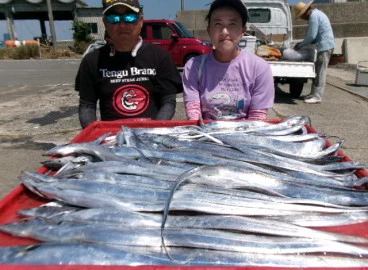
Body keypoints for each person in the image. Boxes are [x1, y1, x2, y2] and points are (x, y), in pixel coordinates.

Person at [75, 0, 183, 129]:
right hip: (112, 137)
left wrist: (155, 129)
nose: (122, 25)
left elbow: (168, 101)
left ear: (141, 21)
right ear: (105, 22)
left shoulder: (160, 57)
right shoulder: (91, 61)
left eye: (129, 17)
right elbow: (87, 105)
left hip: (151, 134)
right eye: (114, 18)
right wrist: (93, 135)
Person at [182, 0, 274, 121]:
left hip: (244, 135)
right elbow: (194, 116)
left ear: (242, 31)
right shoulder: (193, 66)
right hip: (206, 134)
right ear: (209, 30)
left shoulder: (259, 67)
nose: (225, 32)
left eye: (232, 24)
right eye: (218, 24)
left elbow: (257, 119)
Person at [293, 0, 335, 104]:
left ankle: (317, 96)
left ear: (306, 11)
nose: (303, 18)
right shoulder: (317, 14)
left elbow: (311, 36)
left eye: (302, 16)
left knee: (320, 71)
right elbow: (314, 36)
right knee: (317, 70)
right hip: (325, 45)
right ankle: (313, 93)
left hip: (325, 46)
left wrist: (300, 45)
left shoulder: (313, 17)